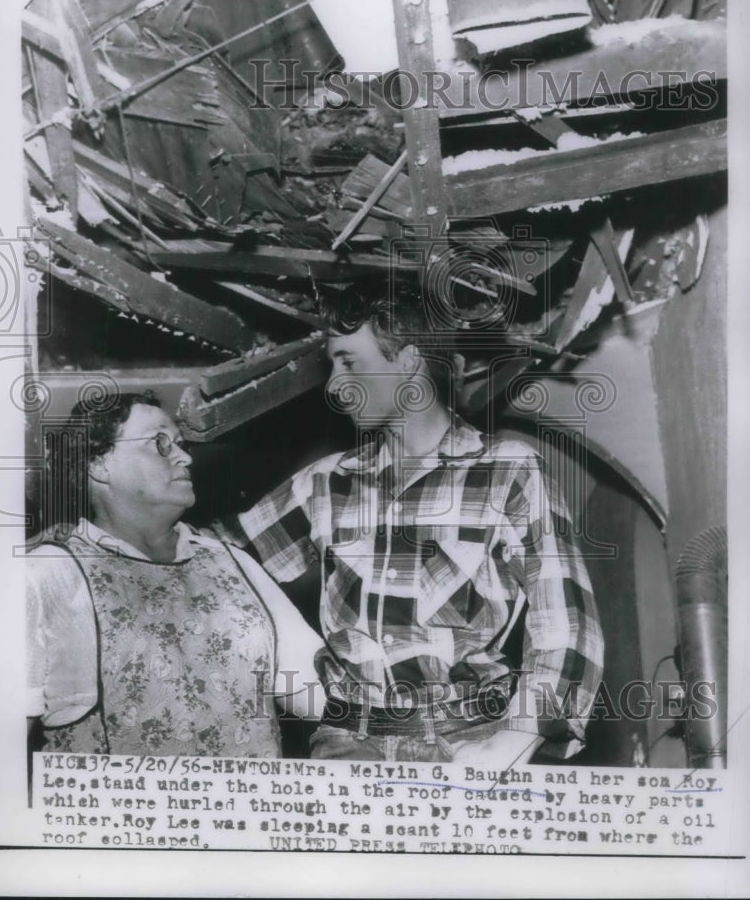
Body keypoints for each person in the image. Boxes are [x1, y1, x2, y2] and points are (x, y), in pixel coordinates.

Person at [234, 277, 604, 765]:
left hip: (469, 741)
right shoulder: (324, 483)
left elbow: (568, 625)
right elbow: (222, 563)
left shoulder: (509, 472)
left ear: (407, 362)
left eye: (348, 362)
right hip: (346, 744)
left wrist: (513, 741)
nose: (333, 385)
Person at [27, 390, 324, 757]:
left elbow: (316, 692)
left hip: (246, 809)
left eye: (181, 445)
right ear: (98, 464)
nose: (184, 456)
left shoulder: (234, 564)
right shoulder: (49, 574)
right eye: (160, 443)